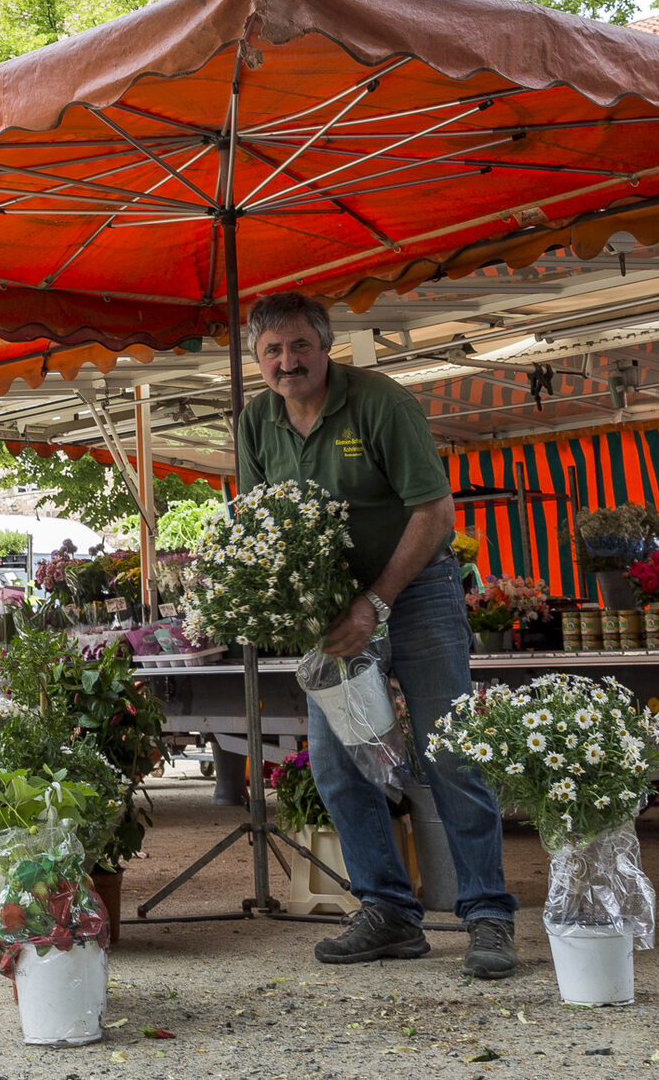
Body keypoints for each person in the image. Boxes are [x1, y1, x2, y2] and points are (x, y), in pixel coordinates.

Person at [233, 291, 519, 979]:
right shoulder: (256, 420)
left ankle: (487, 913)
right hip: (329, 608)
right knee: (336, 763)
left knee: (448, 749)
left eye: (299, 345)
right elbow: (257, 522)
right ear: (257, 359)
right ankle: (389, 910)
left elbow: (435, 512)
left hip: (414, 589)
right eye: (271, 351)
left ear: (324, 345)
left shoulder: (380, 403)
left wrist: (376, 602)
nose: (286, 361)